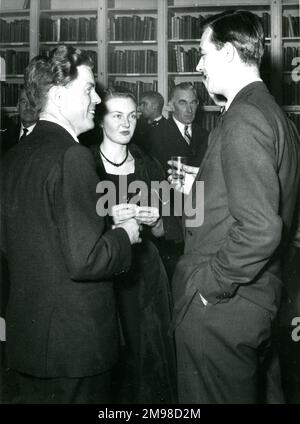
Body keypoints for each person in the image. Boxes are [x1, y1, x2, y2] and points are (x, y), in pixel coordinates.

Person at [170, 10, 300, 404]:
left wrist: (210, 286)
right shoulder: (276, 116)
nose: (198, 65)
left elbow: (261, 228)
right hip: (257, 300)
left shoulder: (243, 116)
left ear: (227, 53)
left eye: (203, 54)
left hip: (224, 308)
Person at [1, 46, 140, 404]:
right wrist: (124, 235)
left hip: (29, 345)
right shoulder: (73, 155)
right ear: (59, 96)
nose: (97, 98)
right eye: (89, 89)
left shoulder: (14, 156)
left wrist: (104, 222)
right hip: (76, 348)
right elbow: (86, 259)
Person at [90, 89, 177, 404]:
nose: (126, 123)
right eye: (117, 115)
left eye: (132, 116)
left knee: (147, 359)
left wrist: (156, 221)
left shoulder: (147, 164)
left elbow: (175, 224)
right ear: (101, 120)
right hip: (102, 273)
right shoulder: (84, 163)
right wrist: (110, 223)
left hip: (144, 276)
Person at [146, 82, 208, 174]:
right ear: (171, 105)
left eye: (193, 103)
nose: (189, 110)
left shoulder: (207, 135)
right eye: (183, 103)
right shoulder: (155, 135)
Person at [1, 88, 40, 156]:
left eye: (32, 102)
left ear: (40, 107)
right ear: (17, 106)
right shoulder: (5, 136)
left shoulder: (47, 137)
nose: (28, 107)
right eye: (24, 102)